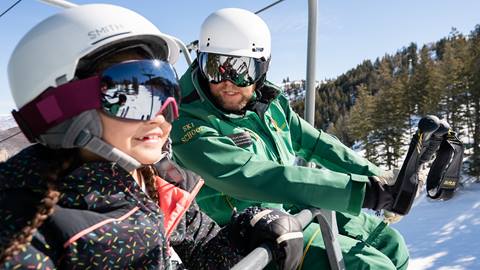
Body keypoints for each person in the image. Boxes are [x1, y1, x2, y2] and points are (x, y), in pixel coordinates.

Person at [0, 4, 304, 269]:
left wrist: (245, 228)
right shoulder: (26, 232)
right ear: (64, 109)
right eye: (133, 94)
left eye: (166, 90)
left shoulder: (157, 182)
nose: (163, 112)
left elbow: (205, 250)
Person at [171, 8, 412, 270]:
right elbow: (250, 174)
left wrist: (379, 178)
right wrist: (361, 192)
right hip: (247, 230)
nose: (227, 83)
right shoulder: (187, 121)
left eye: (241, 70)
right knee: (368, 266)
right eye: (214, 68)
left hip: (291, 207)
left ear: (263, 67)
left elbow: (315, 142)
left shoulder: (267, 102)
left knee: (392, 245)